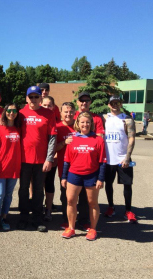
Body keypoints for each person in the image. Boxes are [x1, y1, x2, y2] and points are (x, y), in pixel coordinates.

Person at [61, 112, 106, 241]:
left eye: (87, 122)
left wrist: (100, 178)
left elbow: (102, 161)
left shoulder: (98, 140)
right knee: (70, 201)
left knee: (92, 203)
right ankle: (71, 227)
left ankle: (93, 229)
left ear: (91, 124)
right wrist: (64, 177)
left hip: (91, 175)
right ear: (78, 124)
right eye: (82, 122)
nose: (85, 124)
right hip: (74, 175)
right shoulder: (72, 139)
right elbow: (67, 161)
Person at [17, 86, 56, 233]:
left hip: (41, 160)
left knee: (39, 191)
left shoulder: (48, 114)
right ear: (27, 98)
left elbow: (52, 137)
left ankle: (37, 219)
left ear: (41, 98)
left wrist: (49, 159)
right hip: (23, 159)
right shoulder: (21, 113)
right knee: (23, 190)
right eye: (31, 97)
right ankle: (23, 217)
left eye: (36, 96)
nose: (33, 99)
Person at [73, 91, 105, 231]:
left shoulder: (96, 118)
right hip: (74, 161)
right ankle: (69, 220)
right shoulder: (72, 116)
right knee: (69, 196)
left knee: (87, 197)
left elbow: (99, 138)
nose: (84, 103)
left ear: (90, 102)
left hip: (90, 161)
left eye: (87, 100)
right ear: (78, 102)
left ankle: (84, 220)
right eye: (81, 100)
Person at [103, 95, 137, 223]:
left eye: (117, 102)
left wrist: (127, 157)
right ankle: (111, 207)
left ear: (121, 104)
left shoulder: (127, 119)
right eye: (112, 103)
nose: (115, 105)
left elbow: (132, 138)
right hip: (108, 159)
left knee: (127, 185)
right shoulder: (104, 118)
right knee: (108, 184)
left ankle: (128, 210)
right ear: (109, 104)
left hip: (123, 158)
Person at [0, 103, 21, 231]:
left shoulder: (19, 128)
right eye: (9, 110)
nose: (11, 113)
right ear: (5, 112)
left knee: (8, 195)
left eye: (14, 110)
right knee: (0, 194)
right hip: (0, 167)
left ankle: (4, 217)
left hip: (14, 167)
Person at [41, 96, 58, 222]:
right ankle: (38, 206)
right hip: (38, 158)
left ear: (54, 107)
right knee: (37, 184)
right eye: (45, 105)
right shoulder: (39, 118)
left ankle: (48, 209)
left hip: (51, 158)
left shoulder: (56, 120)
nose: (47, 107)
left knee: (49, 183)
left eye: (49, 105)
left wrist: (51, 156)